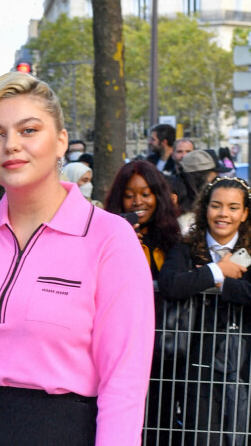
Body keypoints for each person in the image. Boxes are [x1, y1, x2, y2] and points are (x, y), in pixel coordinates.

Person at [0, 72, 154, 446]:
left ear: (61, 141)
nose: (11, 146)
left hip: (65, 431)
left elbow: (125, 379)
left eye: (28, 130)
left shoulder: (110, 238)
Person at [159, 177, 251, 444]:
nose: (223, 214)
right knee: (201, 436)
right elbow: (170, 285)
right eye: (216, 206)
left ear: (245, 213)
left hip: (244, 365)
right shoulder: (185, 249)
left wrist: (222, 285)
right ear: (204, 209)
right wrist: (216, 271)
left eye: (233, 207)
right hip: (196, 364)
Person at [104, 161, 183, 444]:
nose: (138, 201)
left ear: (158, 196)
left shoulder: (173, 240)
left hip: (161, 352)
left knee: (158, 424)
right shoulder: (106, 237)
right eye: (129, 194)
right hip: (115, 348)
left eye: (146, 193)